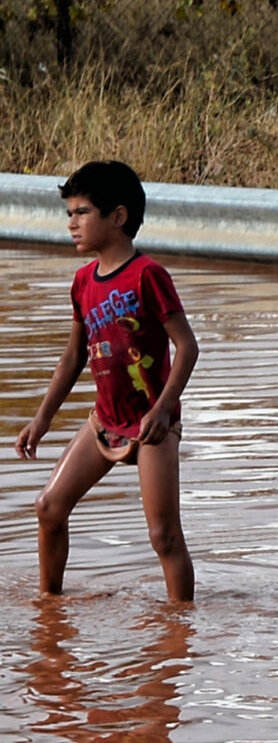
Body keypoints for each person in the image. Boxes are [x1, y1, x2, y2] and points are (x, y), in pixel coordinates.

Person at [15, 161, 199, 602]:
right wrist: (42, 419)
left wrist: (162, 409)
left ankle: (181, 627)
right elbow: (74, 356)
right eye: (69, 214)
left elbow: (187, 347)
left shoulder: (147, 275)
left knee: (163, 536)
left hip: (152, 426)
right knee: (48, 507)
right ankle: (49, 607)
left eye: (81, 212)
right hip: (104, 422)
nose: (71, 223)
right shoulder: (82, 283)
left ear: (118, 216)